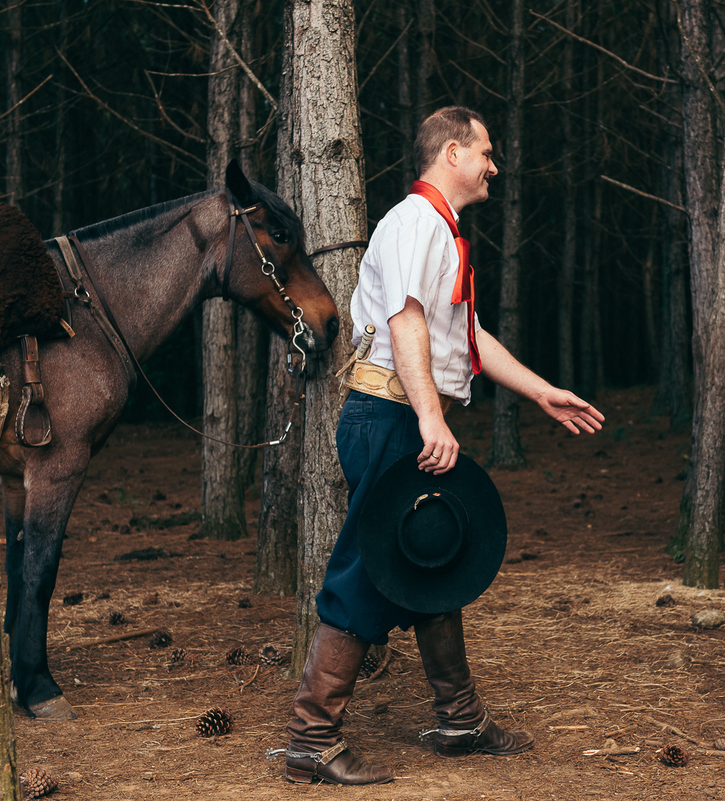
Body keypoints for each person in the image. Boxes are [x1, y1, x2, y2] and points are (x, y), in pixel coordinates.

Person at [276, 106, 605, 786]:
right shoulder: (415, 222)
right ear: (452, 152)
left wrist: (543, 392)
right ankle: (311, 735)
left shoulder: (438, 231)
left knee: (430, 561)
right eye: (486, 152)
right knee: (366, 568)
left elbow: (467, 335)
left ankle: (460, 717)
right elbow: (406, 322)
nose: (494, 165)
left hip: (406, 412)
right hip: (391, 415)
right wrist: (430, 416)